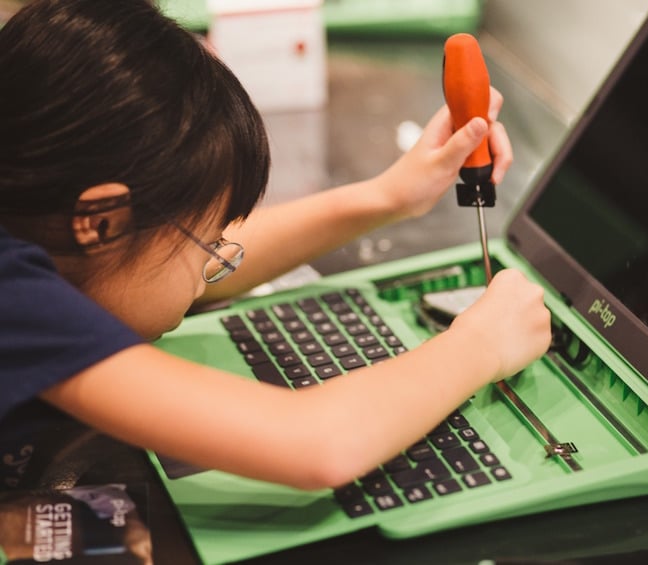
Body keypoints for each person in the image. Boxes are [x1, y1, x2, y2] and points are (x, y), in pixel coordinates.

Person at [0, 0, 551, 491]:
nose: (213, 269)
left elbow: (152, 264)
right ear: (100, 223)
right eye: (209, 244)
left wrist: (391, 195)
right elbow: (315, 446)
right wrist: (481, 345)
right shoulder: (16, 299)